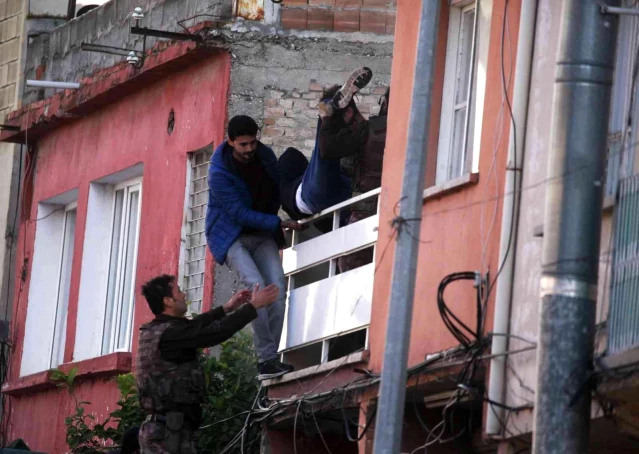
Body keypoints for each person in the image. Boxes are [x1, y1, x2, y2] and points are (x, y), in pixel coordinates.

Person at [135, 274, 278, 453]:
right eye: (178, 291)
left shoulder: (159, 330)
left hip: (167, 429)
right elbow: (214, 333)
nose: (184, 295)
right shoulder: (171, 335)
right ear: (168, 301)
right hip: (167, 434)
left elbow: (195, 325)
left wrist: (227, 307)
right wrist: (253, 306)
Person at [206, 115, 301, 380]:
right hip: (232, 236)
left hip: (262, 234)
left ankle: (272, 358)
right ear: (230, 142)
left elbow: (277, 188)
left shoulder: (265, 156)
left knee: (278, 290)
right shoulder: (218, 172)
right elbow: (238, 213)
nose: (249, 149)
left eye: (252, 143)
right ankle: (266, 359)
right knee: (256, 287)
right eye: (243, 145)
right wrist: (279, 222)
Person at [278, 67, 374, 221]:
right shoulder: (361, 130)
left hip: (328, 196)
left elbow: (325, 151)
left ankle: (327, 108)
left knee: (319, 160)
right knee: (323, 160)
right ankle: (328, 107)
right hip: (344, 196)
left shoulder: (289, 185)